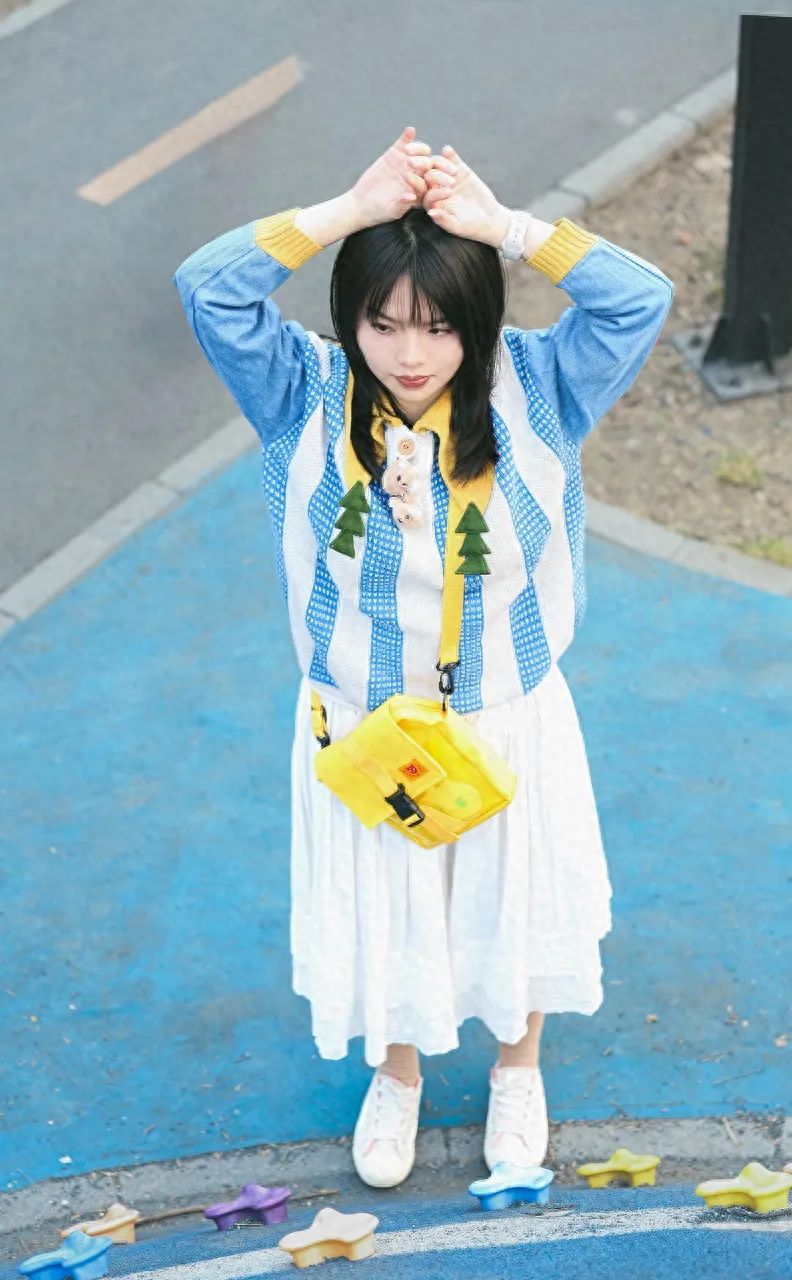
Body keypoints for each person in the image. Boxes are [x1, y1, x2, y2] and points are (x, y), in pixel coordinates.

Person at [173, 126, 674, 1189]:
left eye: (441, 326)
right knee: (385, 904)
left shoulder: (542, 383)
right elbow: (208, 289)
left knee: (511, 894)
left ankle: (518, 1067)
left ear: (476, 324)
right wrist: (349, 212)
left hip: (503, 710)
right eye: (385, 322)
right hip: (363, 724)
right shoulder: (301, 392)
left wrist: (507, 229)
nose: (411, 353)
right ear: (350, 319)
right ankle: (395, 1072)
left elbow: (640, 299)